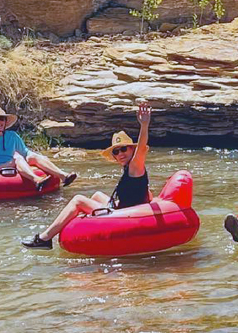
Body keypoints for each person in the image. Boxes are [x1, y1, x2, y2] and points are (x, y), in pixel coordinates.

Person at [21, 100, 151, 249]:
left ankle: (45, 238)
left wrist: (144, 125)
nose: (120, 154)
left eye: (124, 149)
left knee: (78, 200)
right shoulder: (129, 168)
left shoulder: (135, 166)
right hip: (123, 208)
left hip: (127, 215)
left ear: (131, 150)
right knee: (96, 195)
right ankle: (89, 225)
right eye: (116, 151)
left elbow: (141, 148)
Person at [0, 106, 76, 190]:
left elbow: (24, 151)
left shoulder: (12, 135)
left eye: (1, 119)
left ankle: (64, 176)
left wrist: (38, 158)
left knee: (32, 157)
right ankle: (36, 179)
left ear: (5, 122)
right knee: (17, 158)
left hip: (10, 163)